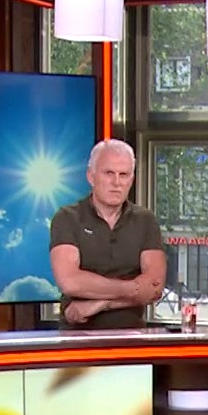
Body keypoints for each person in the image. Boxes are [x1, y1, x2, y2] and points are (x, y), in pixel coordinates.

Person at [47, 139, 167, 328]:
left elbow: (154, 288)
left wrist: (99, 304)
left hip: (132, 335)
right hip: (77, 335)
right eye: (109, 173)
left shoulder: (145, 220)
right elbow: (70, 282)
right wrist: (132, 288)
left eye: (124, 174)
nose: (117, 182)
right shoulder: (67, 218)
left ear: (131, 179)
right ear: (91, 176)